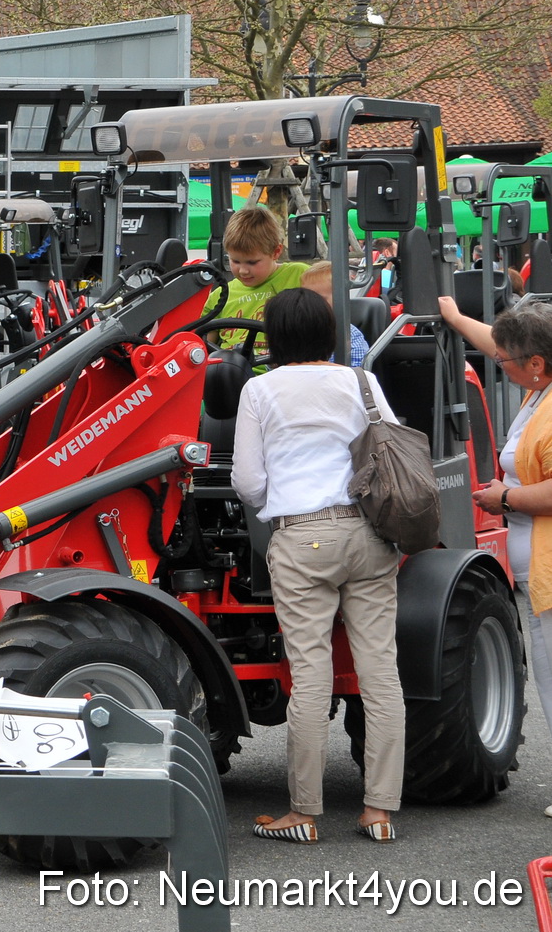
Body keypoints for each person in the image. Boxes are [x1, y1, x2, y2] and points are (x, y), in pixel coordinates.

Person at [234, 289, 404, 844]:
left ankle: (304, 814)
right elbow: (390, 451)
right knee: (380, 672)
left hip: (302, 537)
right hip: (368, 532)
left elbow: (248, 482)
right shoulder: (361, 381)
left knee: (310, 676)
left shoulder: (259, 389)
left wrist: (276, 508)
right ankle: (379, 811)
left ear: (275, 338)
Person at [441, 296, 552, 815]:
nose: (499, 366)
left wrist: (501, 498)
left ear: (535, 364)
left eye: (507, 362)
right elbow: (498, 341)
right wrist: (455, 317)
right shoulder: (538, 388)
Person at [208, 207, 307, 354]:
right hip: (229, 371)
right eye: (235, 261)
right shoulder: (220, 296)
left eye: (252, 262)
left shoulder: (301, 276)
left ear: (276, 252)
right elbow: (202, 344)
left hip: (282, 370)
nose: (243, 270)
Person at [299, 261, 369, 367]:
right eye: (305, 297)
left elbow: (353, 373)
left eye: (319, 299)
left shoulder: (349, 336)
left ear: (340, 299)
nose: (310, 303)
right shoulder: (297, 331)